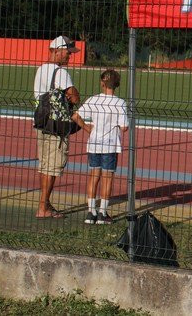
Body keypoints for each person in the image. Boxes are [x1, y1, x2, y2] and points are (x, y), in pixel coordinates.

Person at [33, 35, 81, 219]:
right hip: (56, 125)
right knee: (53, 166)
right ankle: (43, 207)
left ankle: (44, 203)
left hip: (42, 122)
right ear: (57, 50)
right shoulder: (60, 73)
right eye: (68, 53)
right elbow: (74, 95)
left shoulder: (40, 70)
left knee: (45, 165)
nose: (69, 56)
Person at [75, 69, 129, 225]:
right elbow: (124, 127)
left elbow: (76, 116)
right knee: (108, 178)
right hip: (110, 145)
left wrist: (87, 128)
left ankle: (91, 212)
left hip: (94, 143)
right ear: (117, 84)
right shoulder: (120, 103)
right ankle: (102, 213)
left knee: (94, 176)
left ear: (102, 83)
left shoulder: (94, 100)